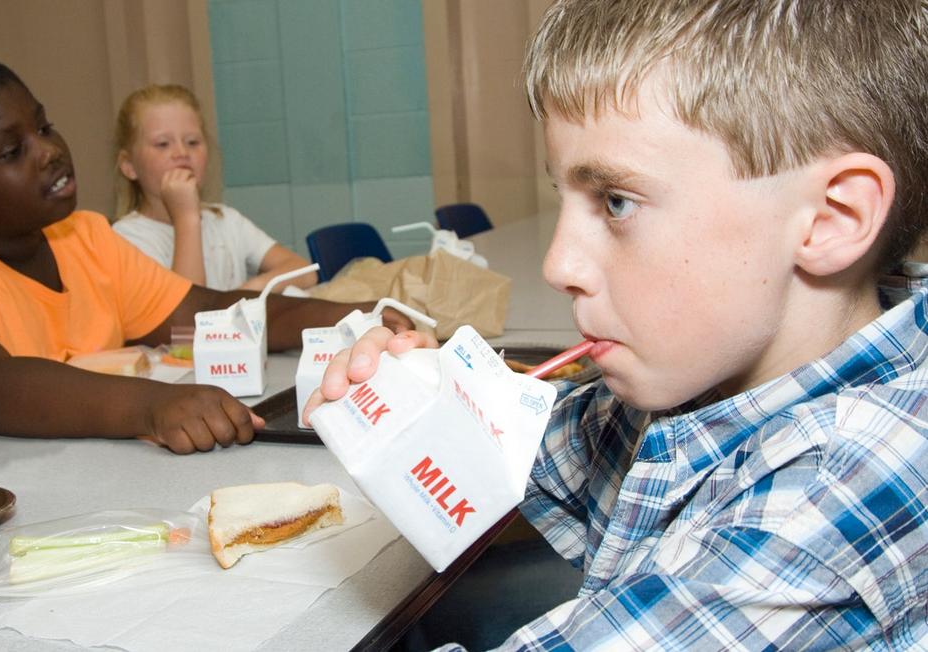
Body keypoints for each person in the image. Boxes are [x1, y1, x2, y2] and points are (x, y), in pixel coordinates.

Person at [307, 0, 928, 648]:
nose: (557, 264)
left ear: (831, 218)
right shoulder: (711, 379)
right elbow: (525, 452)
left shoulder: (827, 497)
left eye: (616, 201)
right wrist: (425, 393)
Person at [0, 58, 408, 453]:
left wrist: (359, 316)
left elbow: (207, 310)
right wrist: (151, 407)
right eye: (13, 151)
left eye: (44, 125)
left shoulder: (85, 237)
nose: (50, 151)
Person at [113, 83, 317, 292]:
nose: (182, 152)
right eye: (163, 144)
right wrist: (186, 219)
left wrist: (244, 295)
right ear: (129, 166)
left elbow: (304, 272)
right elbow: (187, 312)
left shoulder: (226, 221)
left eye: (192, 142)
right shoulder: (125, 239)